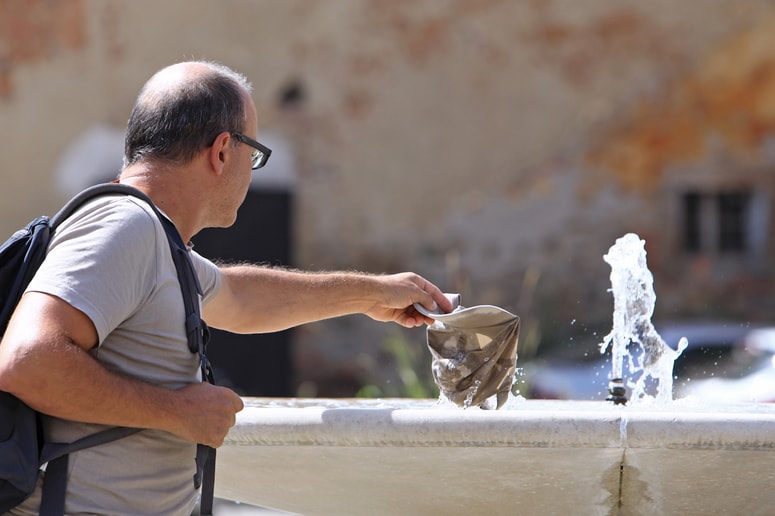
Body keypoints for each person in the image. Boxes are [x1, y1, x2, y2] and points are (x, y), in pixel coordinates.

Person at [0, 60, 453, 515]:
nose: (251, 172)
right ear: (221, 152)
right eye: (253, 154)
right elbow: (26, 361)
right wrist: (175, 412)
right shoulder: (126, 228)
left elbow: (239, 298)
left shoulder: (157, 243)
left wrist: (373, 293)